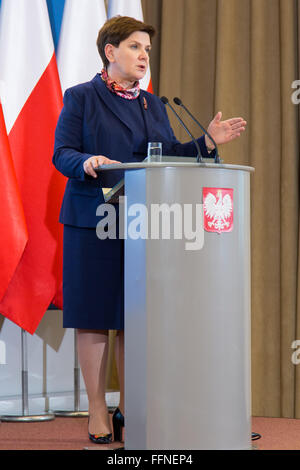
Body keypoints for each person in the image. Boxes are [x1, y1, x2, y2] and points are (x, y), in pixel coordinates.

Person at [52, 15, 246, 445]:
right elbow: (61, 152)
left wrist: (207, 142)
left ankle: (132, 408)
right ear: (110, 51)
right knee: (96, 319)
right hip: (93, 220)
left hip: (142, 222)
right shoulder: (82, 97)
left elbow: (167, 155)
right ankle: (98, 410)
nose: (144, 57)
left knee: (132, 319)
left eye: (147, 51)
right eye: (136, 47)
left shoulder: (152, 104)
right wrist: (85, 163)